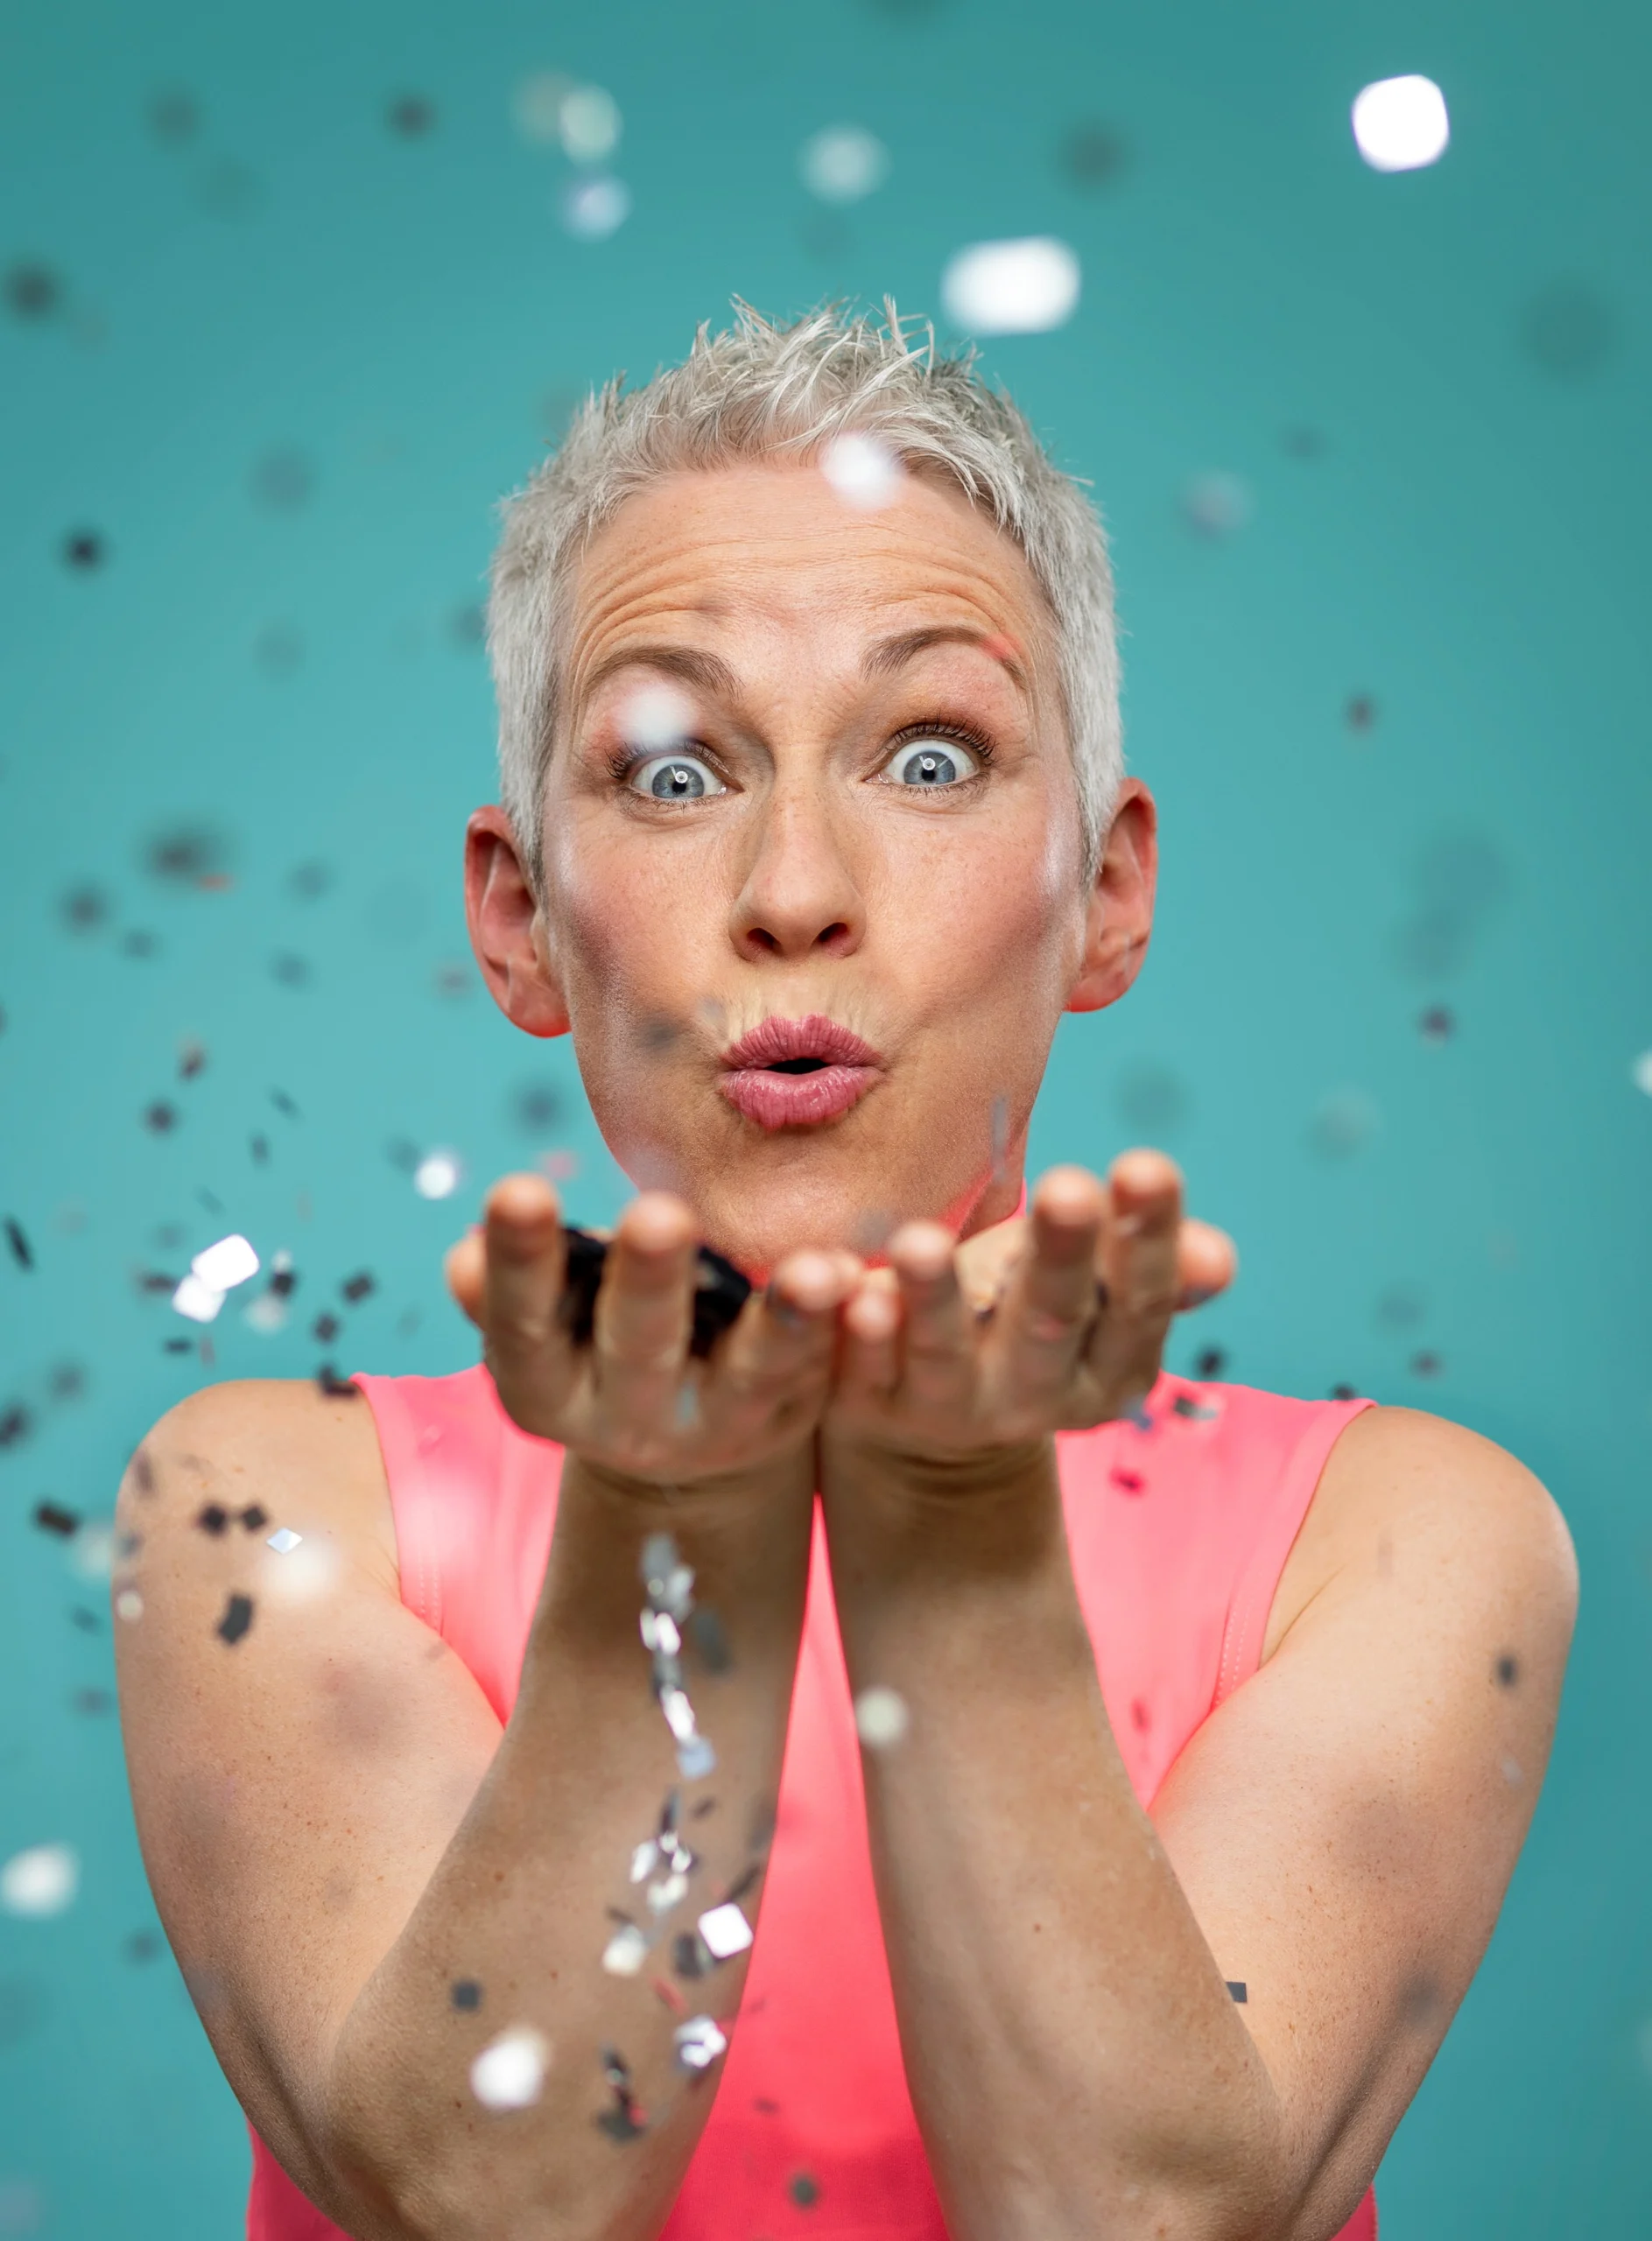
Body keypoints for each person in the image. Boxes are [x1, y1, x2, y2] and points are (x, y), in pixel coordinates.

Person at [114, 305, 1576, 2241]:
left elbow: (1137, 2214)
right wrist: (674, 1501)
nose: (795, 885)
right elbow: (485, 2195)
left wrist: (951, 1506)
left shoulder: (1405, 1538)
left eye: (929, 752)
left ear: (1105, 889)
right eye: (669, 772)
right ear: (520, 914)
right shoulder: (259, 1512)